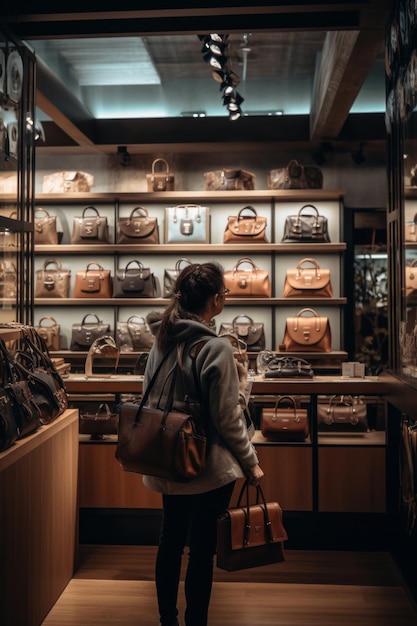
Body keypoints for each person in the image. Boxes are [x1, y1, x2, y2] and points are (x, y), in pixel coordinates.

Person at [142, 261, 264, 626]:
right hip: (208, 466)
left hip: (168, 461)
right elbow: (227, 420)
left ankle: (168, 620)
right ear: (214, 300)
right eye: (224, 293)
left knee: (170, 541)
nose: (225, 297)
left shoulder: (161, 340)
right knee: (201, 551)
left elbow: (151, 399)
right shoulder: (216, 348)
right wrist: (250, 462)